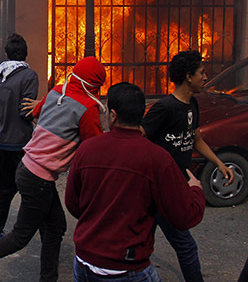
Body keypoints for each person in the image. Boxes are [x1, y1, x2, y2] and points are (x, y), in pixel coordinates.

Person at [0, 56, 107, 282]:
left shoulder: (57, 92)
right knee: (19, 238)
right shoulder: (88, 108)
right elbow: (96, 146)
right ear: (95, 84)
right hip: (39, 179)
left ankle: (48, 278)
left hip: (27, 167)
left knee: (56, 226)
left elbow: (38, 110)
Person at [66, 82, 206, 281]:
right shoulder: (158, 158)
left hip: (85, 262)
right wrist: (195, 190)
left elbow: (73, 203)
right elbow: (184, 216)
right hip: (129, 267)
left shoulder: (86, 150)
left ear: (113, 116)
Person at [141, 50, 233, 282]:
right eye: (202, 72)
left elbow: (197, 139)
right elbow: (139, 138)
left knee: (144, 244)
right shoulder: (164, 108)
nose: (205, 76)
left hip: (176, 186)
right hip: (160, 188)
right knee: (185, 246)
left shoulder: (192, 104)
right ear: (188, 76)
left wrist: (219, 164)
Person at [0, 34, 39, 240]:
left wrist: (1, 117)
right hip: (22, 143)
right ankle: (30, 229)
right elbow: (27, 111)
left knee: (5, 188)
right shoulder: (29, 76)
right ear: (25, 54)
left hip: (1, 143)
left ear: (6, 54)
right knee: (31, 187)